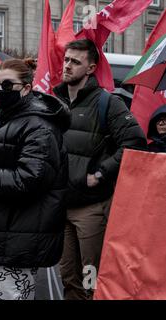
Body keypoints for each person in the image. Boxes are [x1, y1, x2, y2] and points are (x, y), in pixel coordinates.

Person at [0, 58, 70, 300]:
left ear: (26, 88)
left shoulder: (40, 126)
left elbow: (28, 180)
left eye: (7, 85)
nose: (0, 91)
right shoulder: (2, 119)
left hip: (18, 238)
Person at [52, 39, 147, 300]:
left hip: (92, 209)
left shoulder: (108, 103)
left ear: (91, 68)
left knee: (91, 277)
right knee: (69, 276)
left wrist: (101, 173)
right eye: (66, 59)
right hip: (62, 205)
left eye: (75, 62)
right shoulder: (56, 102)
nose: (67, 66)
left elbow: (135, 140)